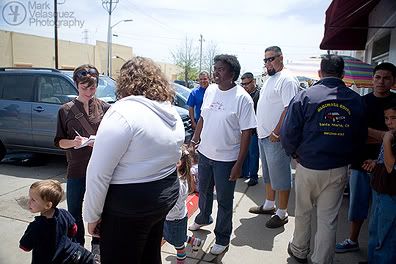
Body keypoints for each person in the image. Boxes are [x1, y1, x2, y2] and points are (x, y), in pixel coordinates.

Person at [82, 56, 185, 264]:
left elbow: (98, 173)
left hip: (130, 208)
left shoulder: (123, 112)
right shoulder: (169, 111)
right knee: (149, 254)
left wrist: (91, 216)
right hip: (162, 198)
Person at [281, 55, 367, 264]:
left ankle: (300, 250)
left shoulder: (305, 96)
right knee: (328, 219)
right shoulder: (355, 99)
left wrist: (294, 154)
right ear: (343, 75)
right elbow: (360, 137)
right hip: (337, 168)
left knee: (303, 212)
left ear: (320, 73)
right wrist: (350, 159)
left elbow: (288, 133)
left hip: (308, 166)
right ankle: (321, 260)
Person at [188, 54, 257, 255]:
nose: (215, 72)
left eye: (220, 69)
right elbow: (202, 118)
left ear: (232, 74)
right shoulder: (209, 90)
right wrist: (194, 142)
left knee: (225, 202)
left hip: (227, 160)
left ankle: (222, 237)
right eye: (215, 68)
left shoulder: (242, 98)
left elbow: (247, 132)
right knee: (204, 192)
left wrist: (239, 164)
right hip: (205, 155)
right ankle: (203, 218)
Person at [335, 62, 396, 253]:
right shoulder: (362, 102)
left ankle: (378, 249)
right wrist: (385, 135)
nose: (381, 81)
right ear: (372, 79)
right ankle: (353, 240)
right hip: (360, 161)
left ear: (393, 81)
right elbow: (355, 131)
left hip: (388, 165)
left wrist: (373, 135)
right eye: (377, 77)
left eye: (386, 78)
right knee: (357, 205)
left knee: (382, 211)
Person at [54, 64, 110, 252]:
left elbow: (115, 138)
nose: (88, 91)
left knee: (101, 209)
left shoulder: (105, 107)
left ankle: (97, 244)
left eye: (92, 87)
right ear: (76, 85)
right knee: (74, 211)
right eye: (83, 87)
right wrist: (74, 143)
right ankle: (78, 246)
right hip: (76, 169)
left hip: (101, 168)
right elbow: (59, 141)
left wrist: (100, 142)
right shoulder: (65, 110)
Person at [249, 46, 299, 228]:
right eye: (265, 60)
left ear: (281, 57)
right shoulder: (271, 78)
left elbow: (289, 109)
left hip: (275, 138)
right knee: (269, 175)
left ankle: (282, 212)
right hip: (264, 136)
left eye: (271, 59)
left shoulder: (287, 79)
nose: (267, 63)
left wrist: (277, 132)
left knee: (281, 176)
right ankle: (269, 205)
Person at [19, 180, 97, 264]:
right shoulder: (64, 213)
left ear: (48, 205)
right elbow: (74, 228)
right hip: (70, 254)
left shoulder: (36, 226)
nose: (29, 202)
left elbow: (25, 247)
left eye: (33, 200)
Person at [362, 99, 396, 264]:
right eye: (387, 118)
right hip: (380, 189)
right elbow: (384, 161)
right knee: (375, 229)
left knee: (386, 236)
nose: (389, 122)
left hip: (391, 193)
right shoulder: (391, 135)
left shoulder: (391, 138)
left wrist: (386, 140)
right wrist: (376, 163)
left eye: (394, 118)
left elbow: (391, 166)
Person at [163, 145, 204, 264]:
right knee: (176, 237)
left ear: (180, 163)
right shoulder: (178, 177)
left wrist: (163, 207)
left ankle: (181, 261)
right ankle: (195, 241)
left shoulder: (179, 183)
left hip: (175, 217)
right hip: (174, 217)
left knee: (179, 245)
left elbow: (174, 203)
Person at [240, 72, 260, 186]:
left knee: (253, 154)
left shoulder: (259, 95)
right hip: (243, 129)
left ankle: (253, 176)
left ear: (253, 82)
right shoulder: (243, 95)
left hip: (254, 131)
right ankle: (244, 173)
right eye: (243, 84)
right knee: (244, 153)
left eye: (247, 83)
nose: (245, 86)